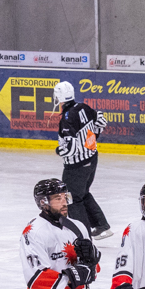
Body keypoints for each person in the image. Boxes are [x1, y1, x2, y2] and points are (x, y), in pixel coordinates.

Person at [54, 80, 111, 239]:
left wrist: (60, 150)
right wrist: (91, 138)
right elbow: (101, 120)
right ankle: (101, 226)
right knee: (83, 194)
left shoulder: (67, 117)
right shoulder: (83, 107)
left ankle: (83, 235)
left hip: (77, 166)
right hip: (92, 159)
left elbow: (71, 147)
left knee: (71, 198)